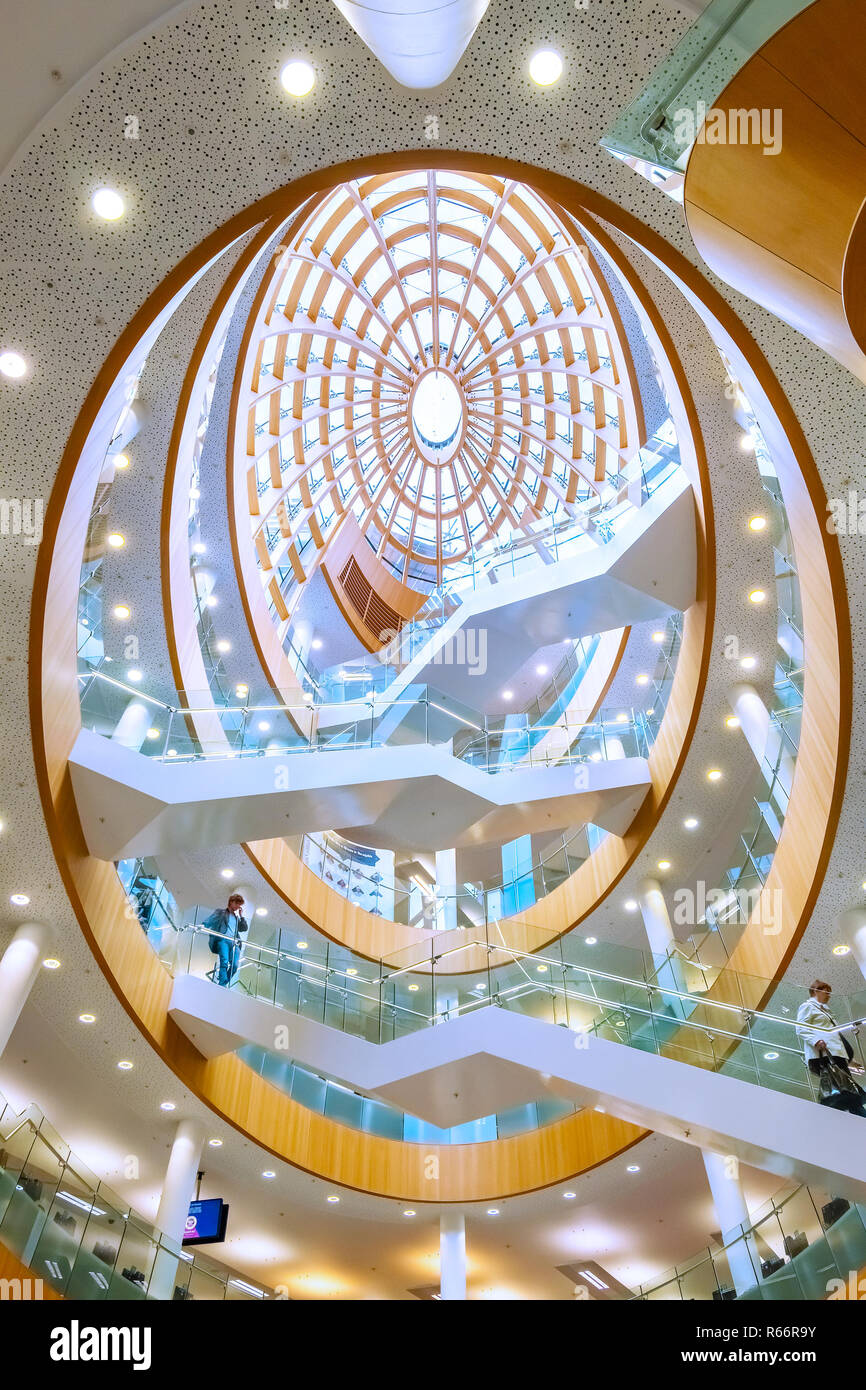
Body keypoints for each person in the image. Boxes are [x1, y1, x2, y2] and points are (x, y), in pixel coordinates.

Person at [796, 979, 866, 1117]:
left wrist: (849, 1060)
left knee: (846, 1088)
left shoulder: (826, 1011)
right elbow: (800, 1027)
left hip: (835, 1054)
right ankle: (859, 1117)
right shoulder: (807, 1006)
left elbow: (836, 1037)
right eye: (826, 992)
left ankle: (855, 1118)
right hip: (824, 1054)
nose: (829, 995)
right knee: (846, 1090)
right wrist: (816, 1041)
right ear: (816, 991)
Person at [204, 893, 248, 987]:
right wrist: (203, 925)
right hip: (223, 940)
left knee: (235, 966)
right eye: (237, 904)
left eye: (239, 905)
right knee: (224, 962)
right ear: (231, 902)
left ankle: (223, 983)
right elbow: (211, 919)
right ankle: (222, 985)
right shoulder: (221, 912)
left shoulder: (237, 918)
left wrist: (241, 916)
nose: (238, 907)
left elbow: (244, 928)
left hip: (234, 943)